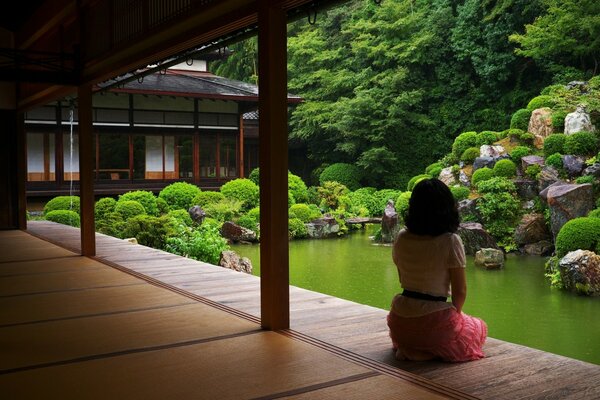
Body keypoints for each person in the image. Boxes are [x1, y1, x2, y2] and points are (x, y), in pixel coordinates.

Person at [387, 178, 487, 362]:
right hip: (435, 320)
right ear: (447, 207)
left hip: (400, 320)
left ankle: (413, 348)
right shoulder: (450, 241)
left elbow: (403, 277)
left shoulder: (401, 237)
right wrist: (452, 317)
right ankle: (427, 351)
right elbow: (460, 291)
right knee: (478, 327)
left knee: (424, 330)